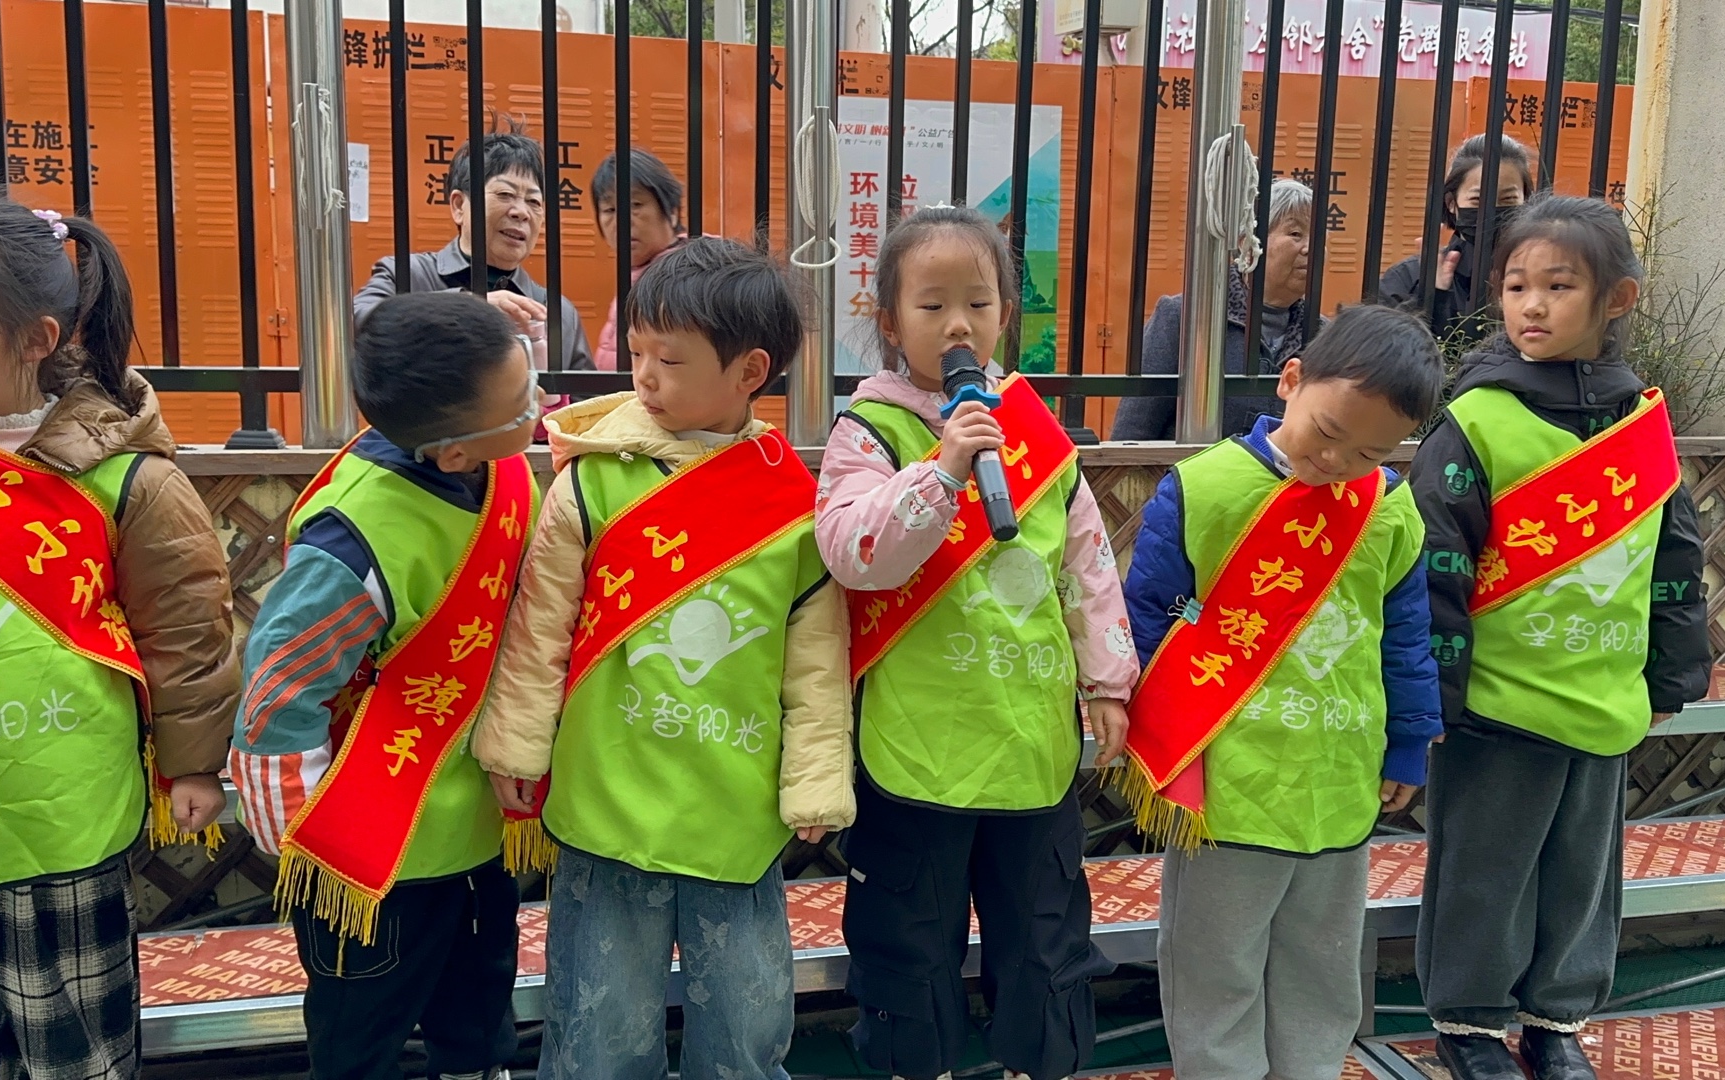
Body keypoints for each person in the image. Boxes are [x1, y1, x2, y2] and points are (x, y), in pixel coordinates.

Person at [472, 237, 854, 1080]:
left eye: (669, 360)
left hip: (736, 808)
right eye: (638, 352)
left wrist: (816, 780)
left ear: (750, 371)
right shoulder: (591, 477)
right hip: (608, 798)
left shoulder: (792, 503)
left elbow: (816, 660)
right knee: (598, 1036)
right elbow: (541, 625)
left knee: (746, 1037)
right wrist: (517, 746)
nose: (643, 375)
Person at [816, 205, 1139, 1080]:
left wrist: (1109, 683)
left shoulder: (1035, 435)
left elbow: (1088, 568)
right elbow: (853, 555)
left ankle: (1042, 1062)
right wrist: (945, 469)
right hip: (919, 745)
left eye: (978, 303)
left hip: (1029, 742)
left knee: (1045, 941)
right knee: (909, 940)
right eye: (932, 305)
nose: (958, 324)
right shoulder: (870, 431)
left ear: (1004, 314)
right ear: (890, 321)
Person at [1409, 195, 1711, 1080]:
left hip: (1604, 694)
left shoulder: (1639, 423)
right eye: (1515, 286)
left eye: (1558, 286)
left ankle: (1556, 1019)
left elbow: (1674, 556)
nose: (1531, 305)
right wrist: (1439, 696)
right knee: (1486, 871)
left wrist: (1672, 673)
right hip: (1497, 705)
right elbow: (1435, 566)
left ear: (1617, 299)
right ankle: (1468, 1026)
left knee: (1582, 874)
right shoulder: (1478, 420)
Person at [1121, 305, 1446, 1080]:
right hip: (1230, 778)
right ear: (1291, 379)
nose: (1337, 461)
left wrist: (1408, 742)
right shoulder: (1206, 487)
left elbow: (1405, 636)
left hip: (1340, 773)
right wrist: (1155, 732)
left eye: (1369, 452)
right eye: (1328, 432)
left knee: (1321, 963)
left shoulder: (1388, 509)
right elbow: (1149, 616)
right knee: (1215, 960)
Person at [230, 291, 541, 1080]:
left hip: (472, 830)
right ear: (454, 453)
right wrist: (306, 839)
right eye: (522, 404)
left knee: (479, 1020)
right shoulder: (353, 540)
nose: (538, 408)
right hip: (374, 857)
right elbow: (278, 690)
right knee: (361, 1035)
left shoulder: (490, 465)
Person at [0, 199, 235, 1080]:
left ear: (36, 339)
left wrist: (193, 764)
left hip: (58, 826)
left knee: (74, 1057)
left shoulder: (125, 477)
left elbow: (187, 626)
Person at [354, 120, 592, 371]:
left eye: (533, 202)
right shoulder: (408, 275)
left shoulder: (557, 311)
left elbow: (587, 394)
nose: (522, 212)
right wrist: (465, 308)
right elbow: (356, 325)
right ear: (459, 206)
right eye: (505, 195)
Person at [1111, 177, 1317, 441]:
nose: (1310, 248)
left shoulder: (1323, 335)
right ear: (1247, 244)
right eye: (1295, 234)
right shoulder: (1187, 318)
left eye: (1317, 236)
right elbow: (1133, 432)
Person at [1379, 134, 1535, 344]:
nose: (1491, 210)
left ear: (1526, 200)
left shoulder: (1544, 276)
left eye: (1508, 199)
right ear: (1451, 203)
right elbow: (1382, 352)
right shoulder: (1409, 277)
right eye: (1477, 200)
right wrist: (1431, 299)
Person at [590, 147, 693, 370]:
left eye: (635, 205)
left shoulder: (691, 274)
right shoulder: (636, 272)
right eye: (610, 209)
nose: (622, 220)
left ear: (672, 211)